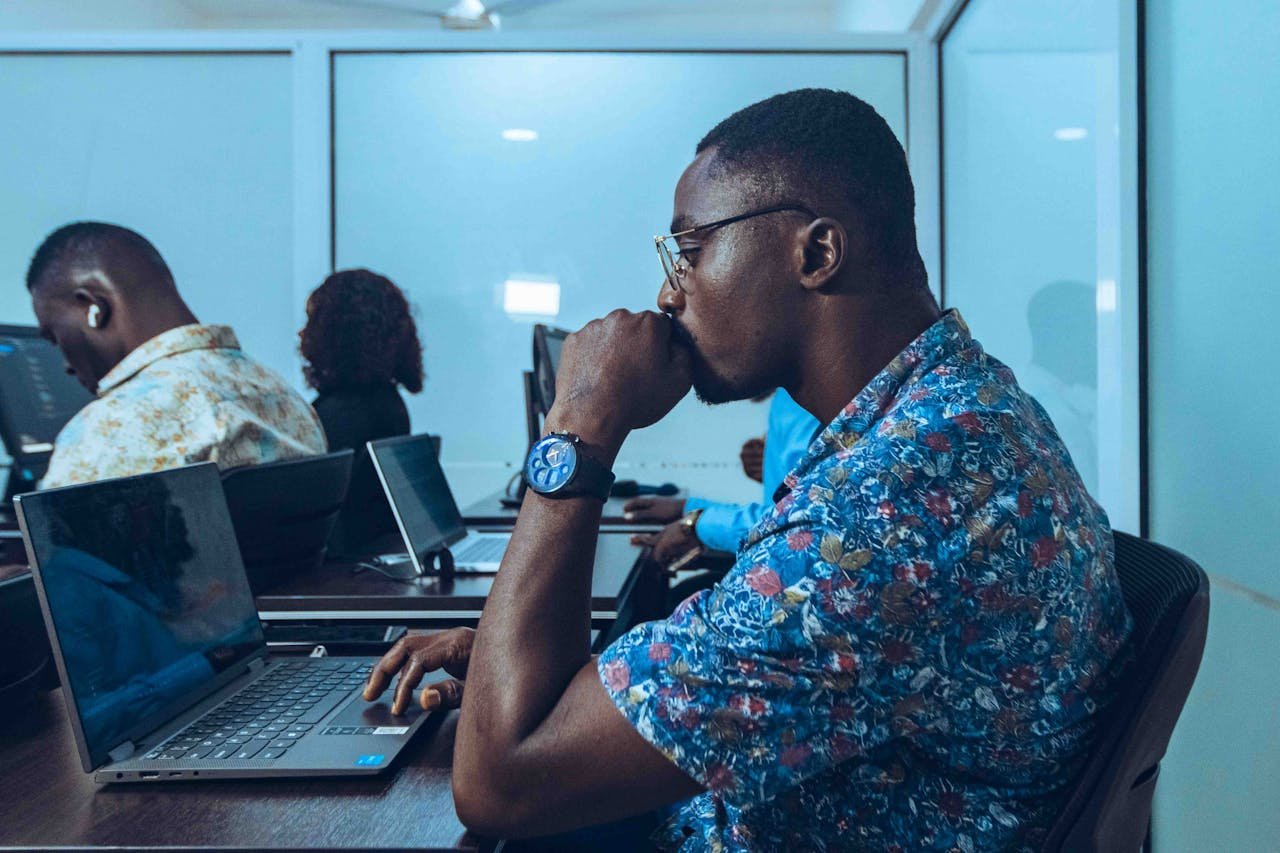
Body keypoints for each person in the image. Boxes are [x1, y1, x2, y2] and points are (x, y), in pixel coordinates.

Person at [364, 89, 1133, 851]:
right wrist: (542, 672)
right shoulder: (962, 414)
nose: (669, 292)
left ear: (816, 252)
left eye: (690, 250)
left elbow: (501, 782)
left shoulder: (891, 504)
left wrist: (580, 428)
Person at [26, 222, 325, 488]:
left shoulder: (115, 428)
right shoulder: (282, 395)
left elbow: (54, 548)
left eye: (54, 336)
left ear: (93, 308)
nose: (64, 364)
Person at [623, 387, 820, 564]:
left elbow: (797, 525)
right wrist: (686, 509)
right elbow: (778, 511)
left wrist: (695, 525)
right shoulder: (787, 398)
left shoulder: (815, 408)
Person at [299, 268, 424, 452]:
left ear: (335, 332)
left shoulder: (331, 419)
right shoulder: (392, 406)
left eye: (313, 321)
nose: (302, 332)